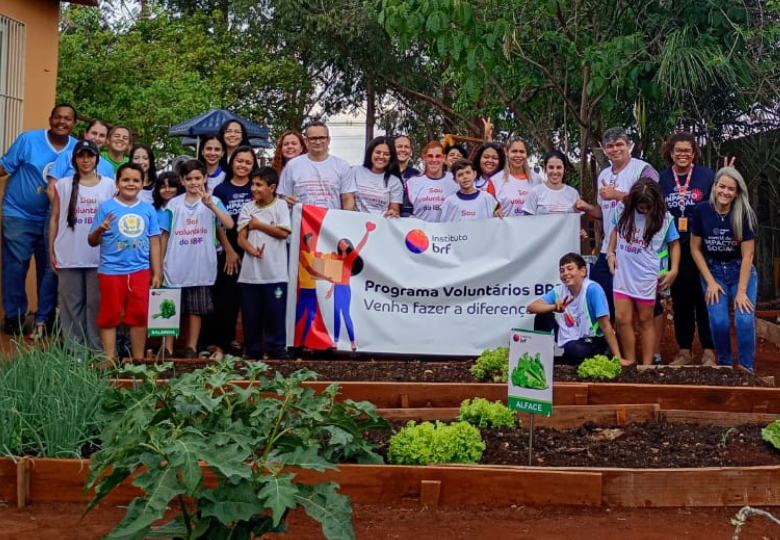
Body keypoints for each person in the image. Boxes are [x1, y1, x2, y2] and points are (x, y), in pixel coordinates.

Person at [0, 103, 78, 335]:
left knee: (50, 269)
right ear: (50, 119)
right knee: (16, 264)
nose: (62, 122)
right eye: (58, 117)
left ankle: (46, 318)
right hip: (19, 213)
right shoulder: (28, 140)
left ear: (74, 124)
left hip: (55, 220)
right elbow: (4, 167)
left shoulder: (76, 149)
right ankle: (14, 316)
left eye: (68, 118)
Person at [574, 127, 659, 319]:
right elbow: (602, 212)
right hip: (609, 248)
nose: (615, 149)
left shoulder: (643, 170)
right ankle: (607, 345)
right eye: (610, 146)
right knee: (601, 296)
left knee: (646, 307)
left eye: (620, 144)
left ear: (629, 146)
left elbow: (654, 202)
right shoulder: (603, 175)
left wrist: (618, 195)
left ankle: (652, 349)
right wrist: (588, 208)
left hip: (637, 248)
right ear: (604, 150)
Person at [88, 163, 162, 360]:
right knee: (110, 315)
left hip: (140, 271)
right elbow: (92, 241)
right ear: (117, 182)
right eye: (126, 180)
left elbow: (154, 242)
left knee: (138, 316)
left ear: (143, 183)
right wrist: (99, 230)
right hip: (111, 271)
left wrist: (157, 272)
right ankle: (110, 359)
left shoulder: (148, 210)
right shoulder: (106, 207)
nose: (131, 184)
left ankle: (137, 361)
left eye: (136, 180)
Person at [160, 160, 233, 358]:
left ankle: (191, 347)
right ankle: (167, 348)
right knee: (170, 308)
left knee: (195, 309)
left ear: (205, 178)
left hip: (201, 265)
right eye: (189, 178)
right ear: (182, 180)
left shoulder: (214, 201)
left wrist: (211, 206)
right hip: (175, 265)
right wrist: (158, 266)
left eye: (197, 178)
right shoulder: (173, 205)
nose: (194, 182)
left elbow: (229, 223)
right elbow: (164, 235)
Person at [48, 140, 115, 351]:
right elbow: (55, 218)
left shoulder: (110, 185)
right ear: (74, 159)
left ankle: (96, 352)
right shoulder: (63, 184)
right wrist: (51, 249)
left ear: (97, 158)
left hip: (99, 256)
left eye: (90, 155)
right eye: (81, 156)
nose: (85, 160)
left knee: (96, 305)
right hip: (68, 253)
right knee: (70, 307)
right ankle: (75, 353)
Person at [691, 166, 758, 372]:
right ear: (715, 186)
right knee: (719, 322)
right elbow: (695, 249)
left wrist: (741, 292)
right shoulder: (702, 210)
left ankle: (746, 367)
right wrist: (710, 281)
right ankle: (726, 365)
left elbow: (748, 255)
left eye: (731, 189)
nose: (725, 192)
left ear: (737, 192)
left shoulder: (744, 213)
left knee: (744, 320)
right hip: (714, 272)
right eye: (722, 187)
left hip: (741, 271)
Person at [607, 179, 680, 366]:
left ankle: (647, 366)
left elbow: (674, 244)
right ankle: (630, 361)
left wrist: (673, 270)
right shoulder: (622, 212)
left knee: (646, 319)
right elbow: (614, 232)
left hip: (647, 276)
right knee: (622, 319)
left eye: (648, 206)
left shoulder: (665, 219)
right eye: (641, 205)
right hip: (623, 273)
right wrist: (610, 253)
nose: (644, 209)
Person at [659, 132, 716, 366]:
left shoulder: (707, 176)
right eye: (678, 150)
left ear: (694, 153)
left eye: (687, 150)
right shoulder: (662, 178)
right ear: (670, 153)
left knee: (705, 299)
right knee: (681, 300)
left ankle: (709, 350)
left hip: (703, 247)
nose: (682, 154)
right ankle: (684, 350)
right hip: (675, 247)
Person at [205, 146, 257, 358]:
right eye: (239, 161)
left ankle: (250, 345)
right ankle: (222, 345)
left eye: (248, 162)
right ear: (232, 162)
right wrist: (228, 250)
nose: (243, 165)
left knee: (251, 299)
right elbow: (218, 224)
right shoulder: (222, 190)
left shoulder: (256, 187)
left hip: (254, 249)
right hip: (230, 250)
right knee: (227, 299)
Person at [236, 167, 291, 359]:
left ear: (272, 187)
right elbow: (241, 237)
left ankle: (277, 352)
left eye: (259, 185)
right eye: (253, 184)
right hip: (251, 275)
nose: (254, 188)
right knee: (251, 317)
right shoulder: (247, 208)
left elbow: (284, 233)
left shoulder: (280, 206)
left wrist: (259, 225)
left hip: (275, 275)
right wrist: (251, 250)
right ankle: (252, 353)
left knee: (275, 315)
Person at [528, 253, 622, 365]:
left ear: (583, 271)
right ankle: (542, 358)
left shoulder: (592, 290)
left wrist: (618, 358)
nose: (565, 273)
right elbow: (531, 307)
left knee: (575, 351)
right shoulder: (559, 291)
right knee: (542, 315)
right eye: (562, 270)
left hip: (592, 339)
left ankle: (600, 356)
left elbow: (606, 326)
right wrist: (554, 307)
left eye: (570, 269)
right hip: (571, 337)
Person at [278, 121, 356, 210]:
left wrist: (345, 221)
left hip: (331, 222)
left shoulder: (342, 166)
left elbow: (347, 199)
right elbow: (283, 197)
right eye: (313, 138)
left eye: (322, 138)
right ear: (306, 141)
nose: (318, 142)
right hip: (300, 222)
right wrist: (286, 201)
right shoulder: (292, 166)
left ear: (328, 140)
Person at [324, 222, 376, 351]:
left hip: (345, 289)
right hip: (337, 288)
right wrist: (331, 289)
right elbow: (334, 275)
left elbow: (360, 246)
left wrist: (367, 232)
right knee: (337, 314)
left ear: (348, 245)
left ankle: (352, 342)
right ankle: (335, 341)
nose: (343, 243)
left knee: (346, 314)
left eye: (345, 242)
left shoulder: (351, 257)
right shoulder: (336, 257)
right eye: (341, 242)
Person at [487, 137, 542, 217]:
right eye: (514, 151)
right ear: (507, 152)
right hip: (505, 229)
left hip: (531, 228)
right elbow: (490, 207)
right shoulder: (495, 181)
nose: (518, 155)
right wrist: (495, 211)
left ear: (526, 154)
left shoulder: (537, 180)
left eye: (522, 152)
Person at [351, 136, 404, 216]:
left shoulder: (395, 182)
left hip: (380, 226)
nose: (381, 156)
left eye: (386, 154)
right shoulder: (355, 171)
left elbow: (395, 210)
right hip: (354, 223)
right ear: (370, 153)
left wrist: (393, 213)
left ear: (391, 157)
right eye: (378, 152)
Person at [406, 140, 458, 222]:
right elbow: (404, 211)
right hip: (422, 233)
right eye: (430, 156)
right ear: (424, 157)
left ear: (444, 158)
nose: (434, 160)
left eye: (438, 156)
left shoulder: (455, 180)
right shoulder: (413, 182)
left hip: (449, 232)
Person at [48, 119, 115, 182]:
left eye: (102, 135)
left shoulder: (108, 167)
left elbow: (110, 192)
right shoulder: (67, 156)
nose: (97, 138)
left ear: (106, 140)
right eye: (94, 133)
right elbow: (51, 188)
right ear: (86, 134)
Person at [523, 150, 580, 215]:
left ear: (564, 170)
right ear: (545, 169)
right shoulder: (535, 192)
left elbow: (577, 220)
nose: (555, 171)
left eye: (559, 167)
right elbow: (527, 221)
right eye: (551, 167)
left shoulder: (573, 194)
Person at [393, 134, 420, 217]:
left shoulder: (417, 175)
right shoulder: (384, 172)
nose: (403, 150)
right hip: (387, 221)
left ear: (411, 151)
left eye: (406, 147)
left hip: (409, 223)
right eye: (399, 146)